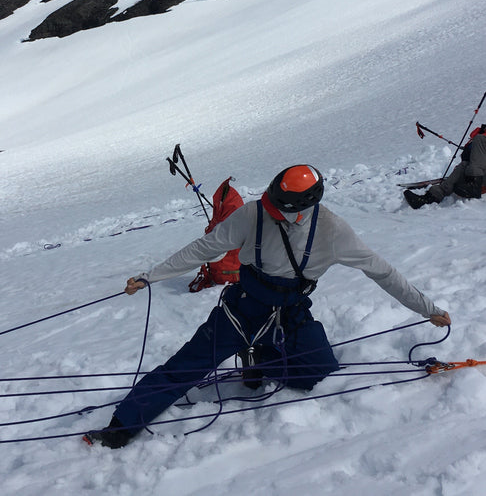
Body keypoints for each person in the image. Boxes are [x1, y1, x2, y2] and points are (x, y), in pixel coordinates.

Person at [85, 164, 451, 449]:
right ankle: (122, 427)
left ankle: (262, 357)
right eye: (271, 199)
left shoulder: (333, 231)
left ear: (305, 207)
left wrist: (427, 308)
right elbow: (204, 248)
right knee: (186, 367)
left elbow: (382, 272)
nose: (269, 208)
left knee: (318, 373)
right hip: (242, 308)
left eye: (279, 206)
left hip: (290, 313)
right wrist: (151, 276)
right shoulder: (252, 213)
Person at [404, 125, 486, 209]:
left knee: (479, 139)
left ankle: (475, 185)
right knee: (463, 165)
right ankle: (430, 198)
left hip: (479, 179)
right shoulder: (478, 137)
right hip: (479, 176)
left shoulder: (480, 138)